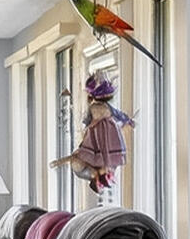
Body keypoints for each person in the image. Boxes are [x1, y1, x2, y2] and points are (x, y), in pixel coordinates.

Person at [50, 73, 131, 206]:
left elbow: (87, 120)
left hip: (98, 134)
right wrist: (127, 120)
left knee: (96, 152)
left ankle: (104, 177)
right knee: (102, 153)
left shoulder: (95, 108)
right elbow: (117, 114)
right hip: (107, 134)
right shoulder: (105, 108)